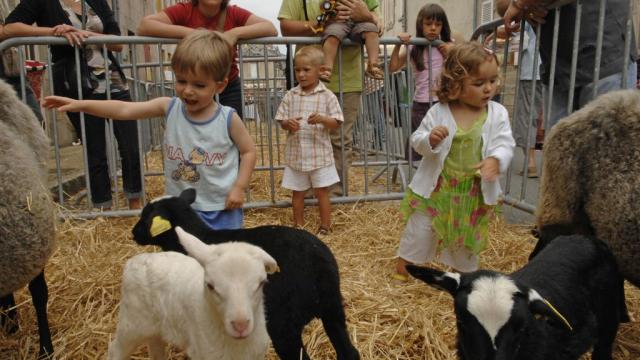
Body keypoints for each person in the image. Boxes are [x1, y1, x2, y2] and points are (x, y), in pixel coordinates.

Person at [44, 31, 257, 230]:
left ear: (220, 86)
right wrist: (80, 104)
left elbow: (248, 152)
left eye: (199, 85)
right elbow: (124, 109)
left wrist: (239, 186)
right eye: (181, 81)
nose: (188, 90)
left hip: (221, 209)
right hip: (180, 208)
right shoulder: (170, 106)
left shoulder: (227, 118)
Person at [5, 0, 143, 210]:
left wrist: (87, 35)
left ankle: (135, 202)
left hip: (113, 80)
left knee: (130, 144)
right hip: (76, 83)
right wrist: (53, 32)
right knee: (95, 149)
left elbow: (118, 42)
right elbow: (10, 27)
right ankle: (102, 208)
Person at [393, 42, 515, 280]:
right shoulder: (439, 111)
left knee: (465, 235)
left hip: (471, 192)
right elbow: (416, 140)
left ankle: (465, 276)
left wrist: (495, 159)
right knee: (421, 228)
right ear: (456, 85)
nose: (488, 88)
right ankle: (405, 266)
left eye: (492, 81)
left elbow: (505, 142)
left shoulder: (497, 112)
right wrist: (430, 139)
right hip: (437, 188)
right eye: (479, 83)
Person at [279, 0, 381, 197]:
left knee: (340, 140)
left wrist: (366, 15)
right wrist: (322, 23)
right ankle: (308, 191)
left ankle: (335, 194)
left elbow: (376, 26)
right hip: (309, 81)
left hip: (348, 80)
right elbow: (286, 27)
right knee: (306, 133)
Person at [501, 0, 637, 129]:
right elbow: (503, 5)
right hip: (558, 67)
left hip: (604, 56)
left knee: (606, 146)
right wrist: (524, 6)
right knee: (559, 148)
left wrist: (520, 5)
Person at [137, 0, 277, 119]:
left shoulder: (233, 13)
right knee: (195, 131)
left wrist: (234, 33)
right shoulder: (185, 10)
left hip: (228, 87)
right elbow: (145, 26)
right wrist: (195, 34)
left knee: (231, 136)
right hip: (194, 85)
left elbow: (270, 28)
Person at [275, 46, 343, 235]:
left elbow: (336, 122)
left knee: (322, 192)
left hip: (319, 155)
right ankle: (299, 227)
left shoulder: (327, 96)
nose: (301, 74)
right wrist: (288, 124)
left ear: (320, 70)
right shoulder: (291, 95)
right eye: (297, 70)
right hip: (297, 155)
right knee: (297, 193)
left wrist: (322, 119)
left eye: (306, 70)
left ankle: (325, 226)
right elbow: (281, 120)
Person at [388, 3, 452, 163]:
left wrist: (451, 52)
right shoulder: (414, 47)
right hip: (421, 103)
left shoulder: (447, 44)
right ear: (420, 25)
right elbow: (393, 67)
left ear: (442, 26)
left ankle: (439, 177)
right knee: (418, 144)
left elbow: (460, 66)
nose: (433, 28)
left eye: (437, 24)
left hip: (443, 101)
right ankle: (418, 177)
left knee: (443, 142)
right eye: (428, 24)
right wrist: (398, 45)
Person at [315, 0, 383, 82]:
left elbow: (372, 10)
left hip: (361, 21)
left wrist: (375, 20)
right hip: (339, 22)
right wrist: (330, 13)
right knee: (332, 35)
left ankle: (373, 64)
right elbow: (324, 6)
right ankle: (326, 69)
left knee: (372, 31)